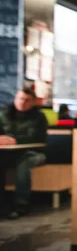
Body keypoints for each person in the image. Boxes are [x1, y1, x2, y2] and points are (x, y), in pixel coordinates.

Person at [0, 87, 48, 219]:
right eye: (20, 98)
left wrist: (14, 140)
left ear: (33, 102)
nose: (22, 102)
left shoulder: (39, 117)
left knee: (23, 162)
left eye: (27, 100)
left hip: (34, 153)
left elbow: (38, 138)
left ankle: (21, 204)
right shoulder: (3, 113)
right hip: (7, 153)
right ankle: (3, 205)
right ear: (15, 98)